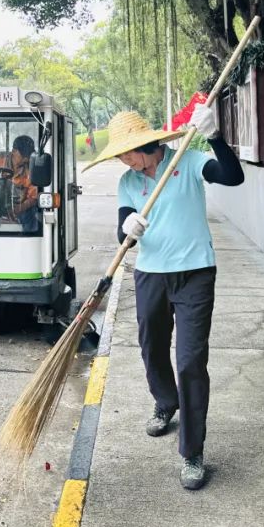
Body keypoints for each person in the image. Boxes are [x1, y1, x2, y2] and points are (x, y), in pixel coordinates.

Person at [83, 103, 243, 490]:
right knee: (152, 347)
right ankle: (165, 401)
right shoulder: (128, 182)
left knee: (190, 361)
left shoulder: (187, 160)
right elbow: (122, 234)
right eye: (119, 155)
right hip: (150, 274)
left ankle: (192, 452)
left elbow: (233, 176)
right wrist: (127, 225)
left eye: (126, 152)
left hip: (195, 273)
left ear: (145, 145)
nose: (123, 160)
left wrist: (215, 137)